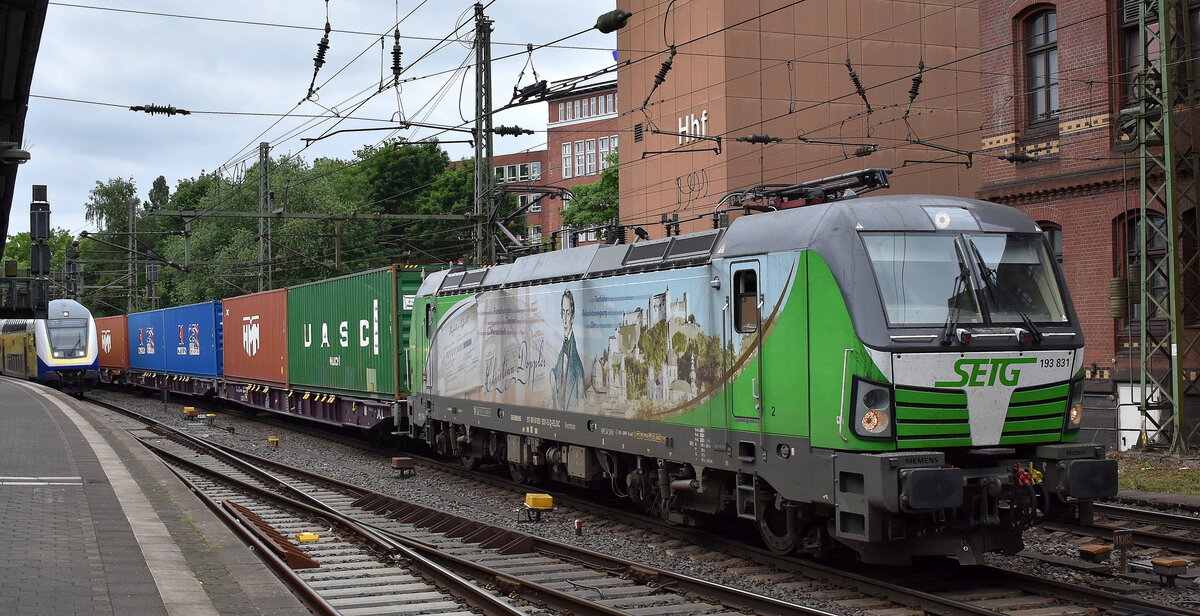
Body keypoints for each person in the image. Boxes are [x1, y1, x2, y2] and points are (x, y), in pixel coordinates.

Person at [552, 289, 586, 410]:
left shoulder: (578, 367)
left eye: (568, 313)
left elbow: (582, 405)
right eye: (563, 313)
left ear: (572, 316)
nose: (565, 319)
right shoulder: (560, 358)